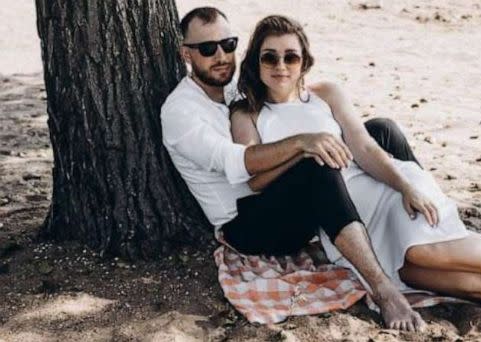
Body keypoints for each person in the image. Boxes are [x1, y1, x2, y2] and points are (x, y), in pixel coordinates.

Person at [229, 14, 481, 330]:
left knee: (428, 252)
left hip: (380, 190)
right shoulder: (247, 113)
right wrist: (303, 145)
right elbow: (256, 179)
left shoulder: (325, 92)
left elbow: (364, 147)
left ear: (304, 63)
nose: (280, 66)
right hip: (346, 222)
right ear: (255, 61)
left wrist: (405, 185)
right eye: (270, 57)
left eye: (290, 57)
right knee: (448, 281)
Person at [161, 7, 434, 331]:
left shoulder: (236, 86)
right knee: (315, 164)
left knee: (381, 131)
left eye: (229, 44)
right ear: (186, 54)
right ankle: (385, 290)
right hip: (246, 223)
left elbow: (288, 99)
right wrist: (302, 142)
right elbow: (236, 161)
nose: (221, 56)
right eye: (207, 49)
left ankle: (435, 222)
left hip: (283, 189)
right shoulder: (181, 112)